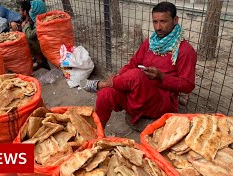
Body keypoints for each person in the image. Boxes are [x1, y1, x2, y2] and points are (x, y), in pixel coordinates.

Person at [82, 2, 197, 130]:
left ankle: (100, 84)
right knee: (105, 94)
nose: (158, 27)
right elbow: (133, 63)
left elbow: (188, 85)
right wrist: (120, 75)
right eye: (155, 22)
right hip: (137, 94)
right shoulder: (150, 42)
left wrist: (162, 77)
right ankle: (97, 134)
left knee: (136, 75)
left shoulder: (185, 50)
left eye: (163, 21)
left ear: (175, 20)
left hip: (160, 102)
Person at [15, 0, 50, 70]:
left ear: (25, 12)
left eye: (20, 10)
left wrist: (26, 26)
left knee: (26, 38)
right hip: (42, 46)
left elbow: (30, 35)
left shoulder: (41, 23)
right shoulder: (34, 20)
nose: (19, 12)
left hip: (44, 49)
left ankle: (41, 61)